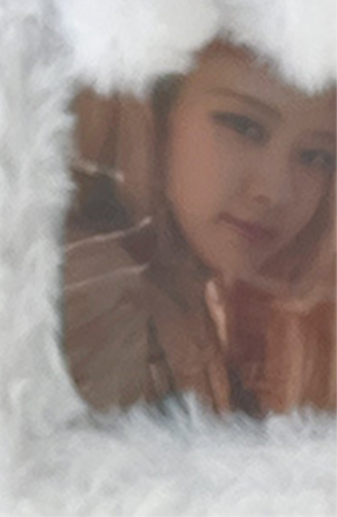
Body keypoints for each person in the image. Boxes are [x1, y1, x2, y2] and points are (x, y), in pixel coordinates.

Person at [63, 37, 336, 417]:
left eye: (316, 156)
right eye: (244, 126)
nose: (276, 191)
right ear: (160, 115)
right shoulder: (99, 294)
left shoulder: (186, 290)